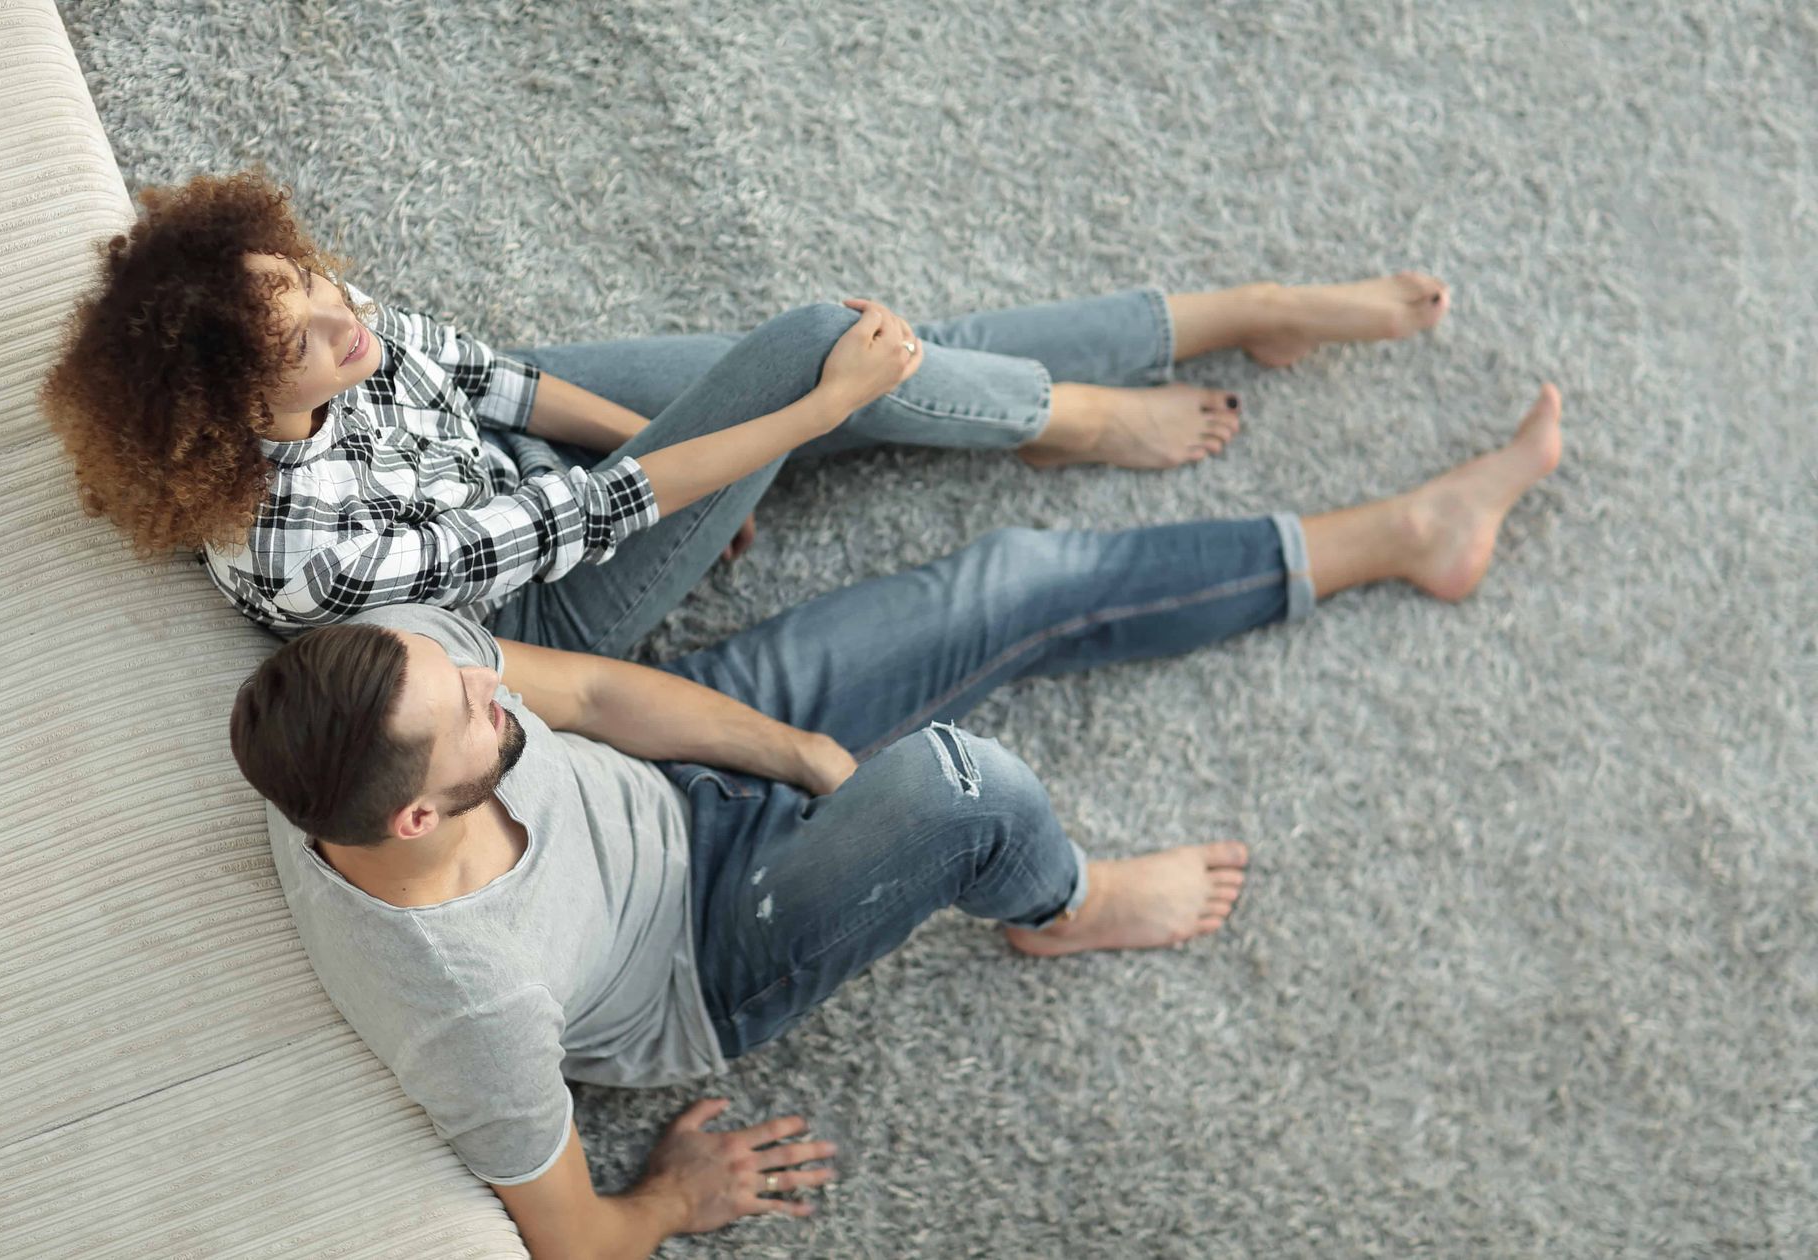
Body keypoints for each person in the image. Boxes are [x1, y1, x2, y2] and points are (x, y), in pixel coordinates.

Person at [226, 382, 1560, 1259]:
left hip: (681, 783)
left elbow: (572, 689)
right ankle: (1068, 902)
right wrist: (675, 1202)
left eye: (461, 669)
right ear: (415, 815)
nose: (481, 674)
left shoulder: (388, 672)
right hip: (709, 946)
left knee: (1008, 582)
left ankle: (1405, 533)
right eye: (470, 711)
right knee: (963, 786)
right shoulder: (467, 1005)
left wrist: (791, 747)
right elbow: (568, 1236)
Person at [42, 168, 1449, 655]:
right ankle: (1071, 415)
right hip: (546, 598)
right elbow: (603, 519)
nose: (347, 311)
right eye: (308, 328)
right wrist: (778, 426)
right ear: (235, 410)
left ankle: (1217, 312)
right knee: (838, 351)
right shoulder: (306, 552)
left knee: (876, 361)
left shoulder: (330, 335)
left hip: (520, 477)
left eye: (310, 277)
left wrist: (689, 422)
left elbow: (502, 385)